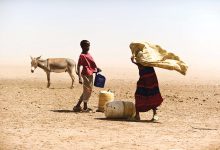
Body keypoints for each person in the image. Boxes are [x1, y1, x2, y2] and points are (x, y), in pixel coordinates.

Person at [131, 56, 163, 121]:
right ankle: (137, 116)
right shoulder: (141, 63)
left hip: (151, 82)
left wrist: (134, 61)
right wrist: (133, 61)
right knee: (138, 96)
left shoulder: (148, 63)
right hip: (142, 82)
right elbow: (139, 64)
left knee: (152, 97)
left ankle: (155, 115)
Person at [73, 40, 101, 112]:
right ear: (82, 47)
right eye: (86, 46)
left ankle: (78, 106)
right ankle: (85, 107)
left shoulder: (89, 54)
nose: (88, 47)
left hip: (91, 74)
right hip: (85, 74)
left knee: (87, 91)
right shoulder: (82, 55)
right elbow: (79, 66)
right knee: (87, 90)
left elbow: (91, 64)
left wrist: (96, 69)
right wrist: (79, 78)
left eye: (89, 46)